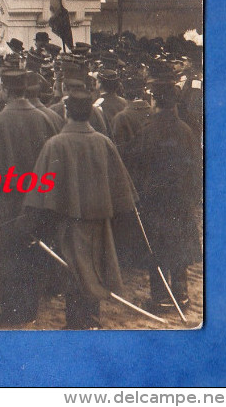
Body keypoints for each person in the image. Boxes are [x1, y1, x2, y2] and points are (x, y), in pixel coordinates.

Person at [24, 86, 138, 329]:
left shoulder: (56, 144)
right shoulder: (103, 142)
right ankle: (91, 320)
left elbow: (41, 189)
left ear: (67, 112)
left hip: (69, 221)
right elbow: (122, 189)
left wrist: (32, 220)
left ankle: (77, 322)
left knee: (74, 270)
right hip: (99, 222)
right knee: (94, 268)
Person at [0, 69, 59, 325]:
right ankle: (30, 308)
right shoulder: (44, 118)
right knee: (34, 253)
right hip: (38, 200)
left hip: (8, 204)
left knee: (10, 256)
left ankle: (11, 309)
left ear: (5, 90)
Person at [122, 82, 201, 313]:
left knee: (155, 250)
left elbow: (133, 163)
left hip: (154, 202)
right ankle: (182, 295)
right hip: (180, 202)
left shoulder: (148, 131)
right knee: (178, 248)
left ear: (156, 101)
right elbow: (196, 168)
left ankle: (160, 298)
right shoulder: (186, 131)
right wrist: (192, 198)